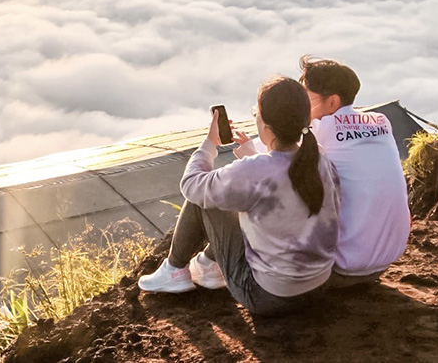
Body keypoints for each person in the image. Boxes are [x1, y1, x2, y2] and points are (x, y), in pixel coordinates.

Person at [138, 77, 342, 315]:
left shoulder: (254, 170)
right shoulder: (320, 159)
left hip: (268, 297)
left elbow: (192, 185)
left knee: (205, 199)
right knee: (234, 197)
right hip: (319, 284)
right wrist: (252, 156)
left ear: (265, 124)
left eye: (256, 112)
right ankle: (206, 266)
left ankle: (174, 270)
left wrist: (209, 143)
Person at [298, 55, 411, 285]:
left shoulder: (320, 129)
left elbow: (269, 156)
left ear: (332, 102)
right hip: (385, 260)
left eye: (306, 98)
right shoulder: (381, 121)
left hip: (341, 268)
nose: (301, 106)